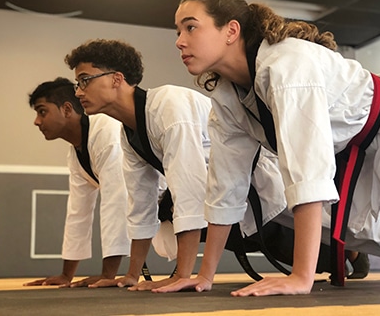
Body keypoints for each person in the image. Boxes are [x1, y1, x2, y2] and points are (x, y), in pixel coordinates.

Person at [155, 0, 380, 296]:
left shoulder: (286, 64)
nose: (180, 41)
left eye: (191, 27)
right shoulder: (228, 99)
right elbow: (225, 188)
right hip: (371, 148)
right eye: (178, 30)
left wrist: (302, 277)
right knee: (357, 224)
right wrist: (204, 277)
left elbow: (307, 169)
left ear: (231, 30)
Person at [64, 39, 336, 290]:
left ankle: (350, 254)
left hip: (256, 181)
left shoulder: (168, 107)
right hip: (223, 195)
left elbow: (188, 191)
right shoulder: (129, 132)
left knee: (322, 238)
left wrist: (182, 277)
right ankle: (345, 255)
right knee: (178, 212)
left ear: (116, 79)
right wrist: (131, 275)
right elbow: (140, 203)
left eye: (85, 80)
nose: (78, 92)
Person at [24, 78, 130, 288]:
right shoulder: (77, 151)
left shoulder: (106, 132)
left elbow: (116, 204)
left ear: (66, 109)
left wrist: (107, 275)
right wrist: (66, 275)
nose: (37, 121)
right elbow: (78, 212)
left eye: (42, 112)